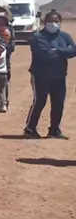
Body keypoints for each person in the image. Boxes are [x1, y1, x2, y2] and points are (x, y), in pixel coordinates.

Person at [24, 10, 76, 139]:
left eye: (56, 21)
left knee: (58, 103)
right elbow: (46, 54)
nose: (53, 24)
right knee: (39, 101)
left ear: (60, 23)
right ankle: (30, 128)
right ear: (44, 22)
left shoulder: (64, 36)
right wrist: (64, 51)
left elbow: (73, 50)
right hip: (41, 76)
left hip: (59, 76)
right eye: (50, 21)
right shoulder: (37, 37)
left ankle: (54, 130)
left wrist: (57, 50)